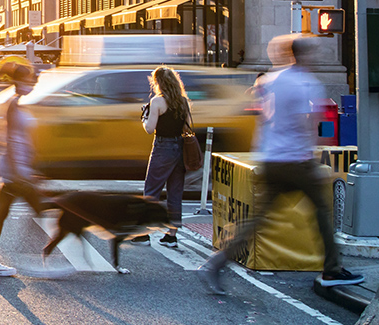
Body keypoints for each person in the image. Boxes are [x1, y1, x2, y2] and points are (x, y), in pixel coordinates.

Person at [199, 35, 363, 294]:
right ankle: (332, 269)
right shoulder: (306, 83)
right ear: (303, 55)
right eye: (312, 53)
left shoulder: (270, 79)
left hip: (270, 158)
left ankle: (217, 263)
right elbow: (308, 125)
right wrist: (311, 157)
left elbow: (260, 115)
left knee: (258, 219)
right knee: (322, 209)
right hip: (295, 160)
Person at [0, 57, 51, 277]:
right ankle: (44, 260)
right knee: (40, 208)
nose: (33, 82)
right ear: (21, 79)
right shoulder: (13, 103)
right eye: (30, 78)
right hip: (16, 170)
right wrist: (18, 172)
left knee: (2, 212)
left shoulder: (20, 101)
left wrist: (32, 166)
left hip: (20, 169)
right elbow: (9, 140)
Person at [142, 65, 191, 248]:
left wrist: (144, 118)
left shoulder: (157, 102)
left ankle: (144, 233)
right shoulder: (183, 101)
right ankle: (172, 235)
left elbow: (149, 129)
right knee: (175, 193)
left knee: (152, 190)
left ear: (158, 83)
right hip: (179, 148)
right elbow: (186, 127)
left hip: (162, 147)